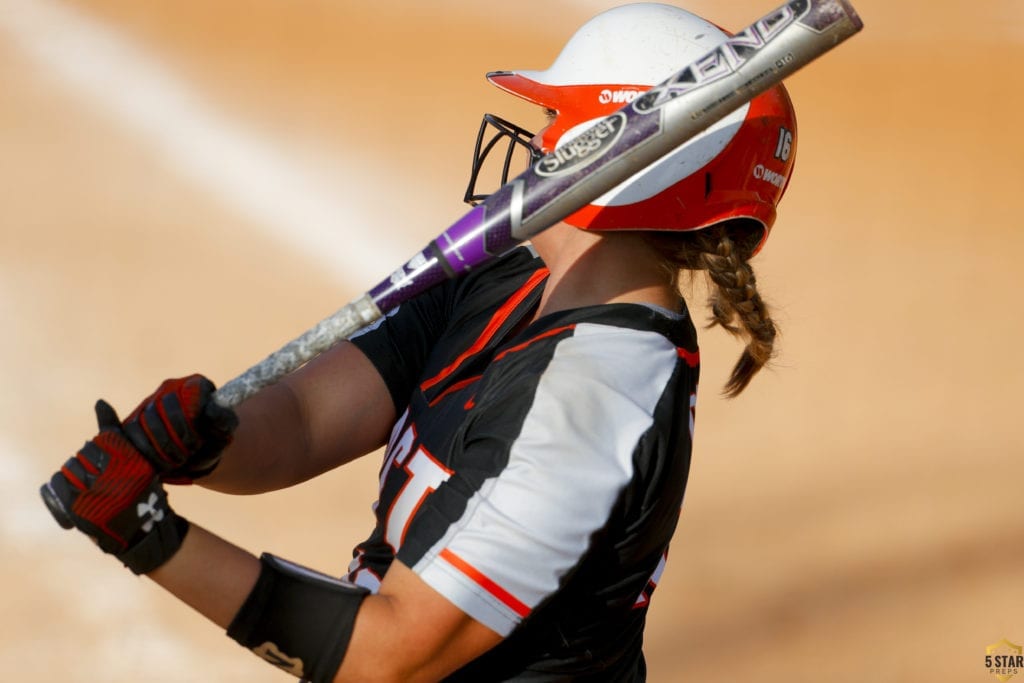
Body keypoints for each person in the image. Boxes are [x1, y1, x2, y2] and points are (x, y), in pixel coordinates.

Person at [41, 3, 797, 682]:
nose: (535, 140)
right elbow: (307, 418)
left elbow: (393, 655)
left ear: (615, 161)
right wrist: (210, 444)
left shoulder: (595, 400)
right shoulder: (508, 279)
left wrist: (152, 538)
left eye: (555, 121)